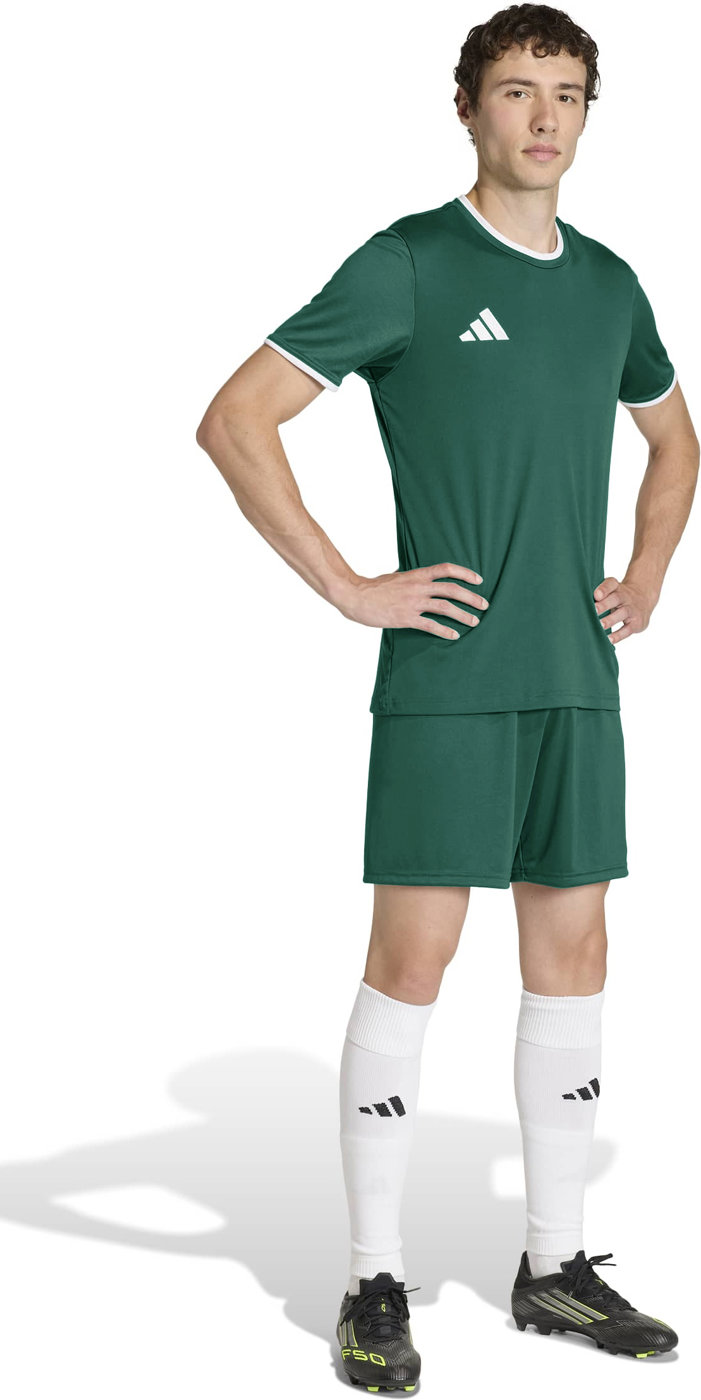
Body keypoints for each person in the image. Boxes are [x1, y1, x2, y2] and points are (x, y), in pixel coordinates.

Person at [196, 2, 697, 1383]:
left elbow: (674, 441)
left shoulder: (610, 284)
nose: (544, 116)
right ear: (467, 107)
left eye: (568, 93)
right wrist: (350, 586)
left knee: (575, 963)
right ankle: (372, 1279)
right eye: (517, 90)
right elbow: (234, 420)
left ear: (588, 116)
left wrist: (648, 572)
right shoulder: (410, 263)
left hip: (575, 680)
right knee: (412, 964)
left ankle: (554, 1267)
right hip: (449, 679)